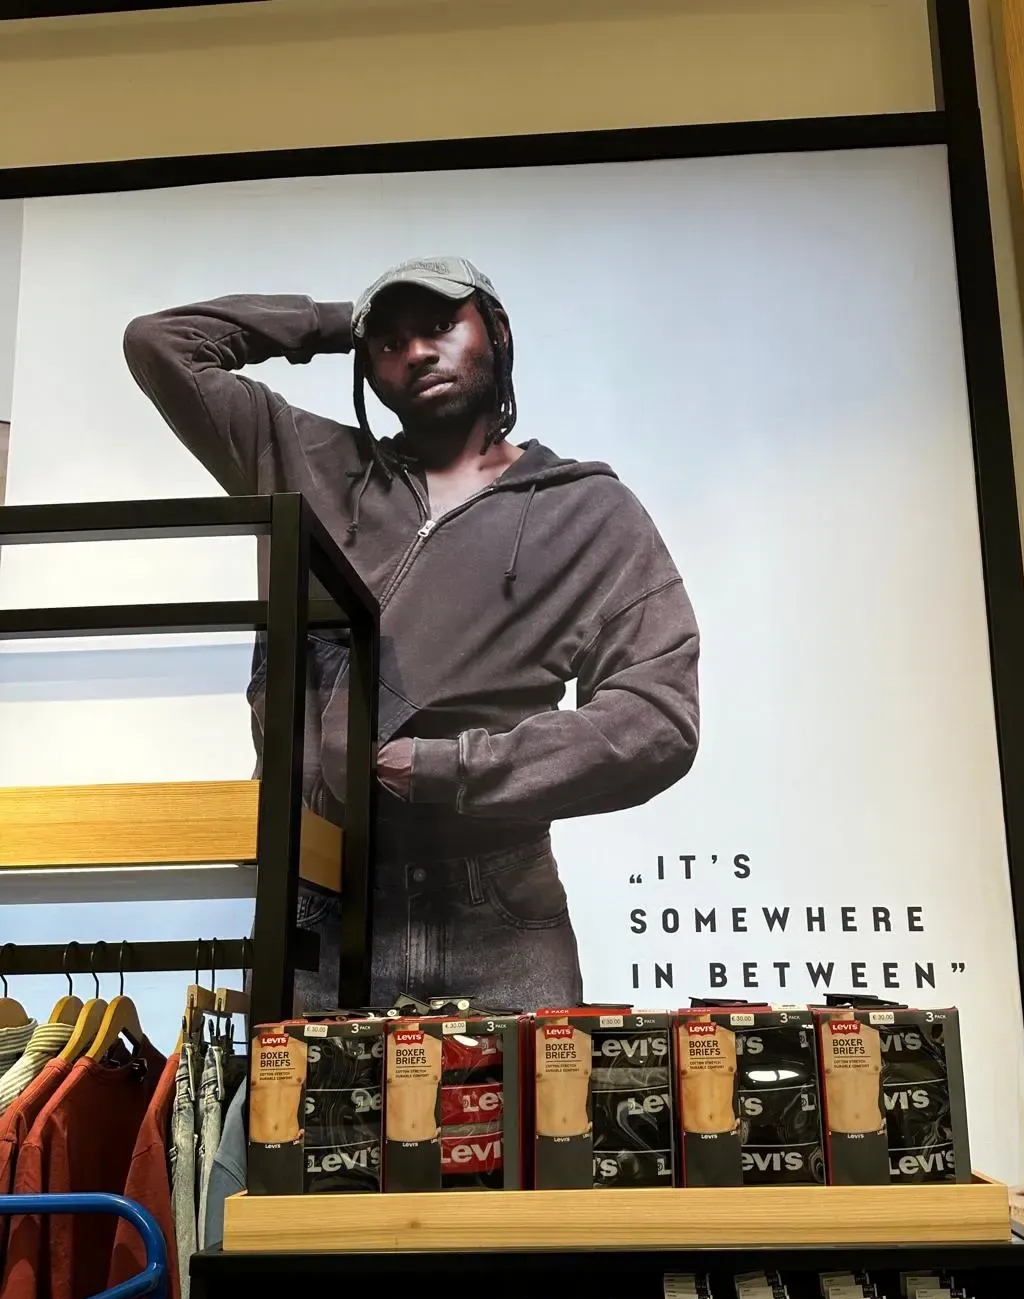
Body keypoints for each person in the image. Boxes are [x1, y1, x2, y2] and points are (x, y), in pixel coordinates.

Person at [124, 257, 700, 1011]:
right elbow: (162, 344)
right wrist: (344, 324)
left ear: (494, 331)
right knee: (306, 1131)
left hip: (496, 910)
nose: (417, 352)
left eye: (438, 326)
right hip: (320, 901)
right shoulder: (308, 462)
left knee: (522, 1130)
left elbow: (658, 719)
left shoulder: (588, 513)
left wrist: (449, 767)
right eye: (390, 343)